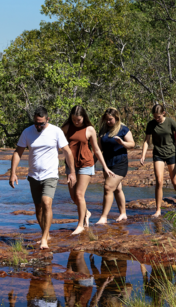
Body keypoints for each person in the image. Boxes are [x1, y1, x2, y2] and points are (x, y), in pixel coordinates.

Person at [10, 106, 77, 249]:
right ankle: (45, 233)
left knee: (47, 203)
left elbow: (67, 151)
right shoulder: (27, 132)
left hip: (51, 174)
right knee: (38, 207)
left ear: (47, 119)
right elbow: (18, 152)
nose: (38, 126)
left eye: (41, 123)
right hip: (34, 175)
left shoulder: (56, 131)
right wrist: (13, 173)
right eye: (36, 123)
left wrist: (71, 172)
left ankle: (44, 239)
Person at [61, 106, 115, 235]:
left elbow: (96, 149)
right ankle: (86, 212)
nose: (76, 122)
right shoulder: (66, 127)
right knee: (74, 197)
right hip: (71, 165)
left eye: (78, 119)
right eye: (74, 119)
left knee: (79, 195)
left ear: (84, 117)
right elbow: (58, 143)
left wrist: (105, 167)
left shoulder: (89, 129)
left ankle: (80, 225)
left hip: (86, 163)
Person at [140, 104, 176, 215]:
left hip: (171, 153)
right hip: (158, 154)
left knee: (175, 182)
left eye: (158, 116)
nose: (156, 119)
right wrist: (143, 155)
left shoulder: (170, 122)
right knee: (159, 181)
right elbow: (146, 141)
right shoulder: (151, 124)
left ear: (163, 113)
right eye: (154, 116)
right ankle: (158, 210)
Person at [96, 108, 135, 224]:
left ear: (116, 118)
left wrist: (122, 143)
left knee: (108, 187)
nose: (108, 122)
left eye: (110, 119)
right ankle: (123, 213)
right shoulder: (103, 130)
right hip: (107, 164)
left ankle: (104, 217)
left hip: (120, 163)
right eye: (106, 119)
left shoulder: (123, 129)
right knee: (117, 189)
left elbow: (132, 144)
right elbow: (98, 148)